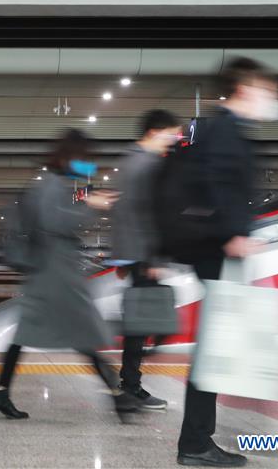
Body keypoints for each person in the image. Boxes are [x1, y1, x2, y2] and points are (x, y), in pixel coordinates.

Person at [0, 128, 141, 421]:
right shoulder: (51, 184)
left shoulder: (51, 182)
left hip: (48, 271)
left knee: (35, 334)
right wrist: (90, 206)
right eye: (84, 158)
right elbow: (55, 223)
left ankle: (0, 393)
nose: (88, 165)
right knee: (81, 330)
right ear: (70, 157)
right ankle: (118, 395)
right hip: (55, 273)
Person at [176, 57, 278, 467]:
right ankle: (195, 443)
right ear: (244, 88)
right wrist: (235, 233)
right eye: (267, 90)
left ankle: (198, 439)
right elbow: (219, 184)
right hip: (219, 251)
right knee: (213, 349)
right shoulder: (224, 130)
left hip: (220, 249)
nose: (272, 98)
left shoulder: (229, 130)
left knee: (217, 346)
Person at [112, 109, 182, 411]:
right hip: (145, 256)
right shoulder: (149, 165)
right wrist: (153, 258)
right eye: (172, 133)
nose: (175, 139)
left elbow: (121, 212)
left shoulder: (129, 161)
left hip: (135, 255)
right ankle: (130, 386)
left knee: (140, 324)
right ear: (154, 131)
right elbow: (150, 214)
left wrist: (121, 258)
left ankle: (130, 382)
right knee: (143, 324)